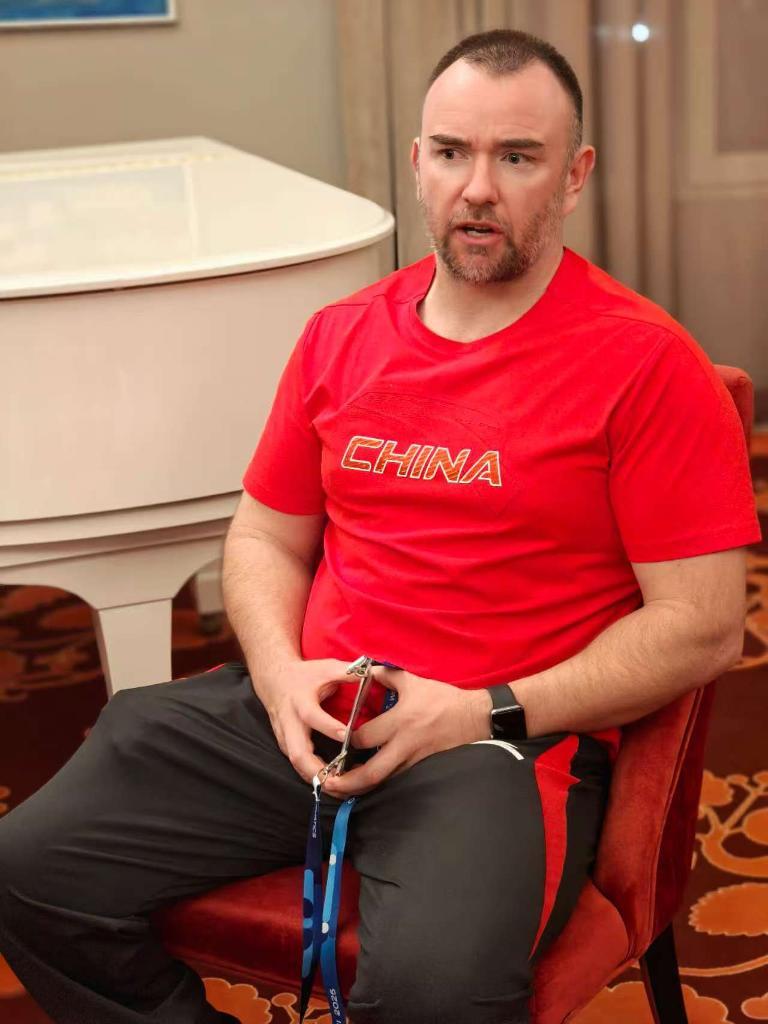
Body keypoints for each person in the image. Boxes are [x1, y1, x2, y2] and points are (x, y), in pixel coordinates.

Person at [0, 27, 760, 1024]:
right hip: (310, 709)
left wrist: (481, 710)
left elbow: (702, 624)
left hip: (498, 741)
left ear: (574, 176)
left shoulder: (647, 365)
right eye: (451, 152)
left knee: (432, 992)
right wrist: (282, 678)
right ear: (417, 163)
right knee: (31, 870)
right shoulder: (340, 336)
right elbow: (265, 538)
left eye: (516, 157)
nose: (476, 188)